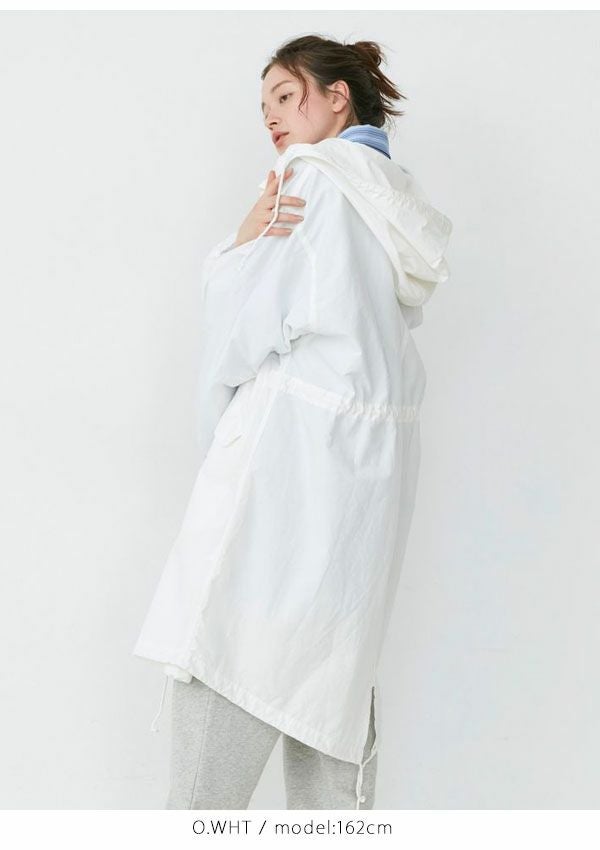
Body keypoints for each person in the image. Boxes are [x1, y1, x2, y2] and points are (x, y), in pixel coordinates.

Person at [133, 33, 453, 810]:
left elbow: (246, 324)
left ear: (336, 98)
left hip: (284, 474)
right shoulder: (388, 200)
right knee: (331, 695)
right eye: (264, 106)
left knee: (228, 671)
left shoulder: (309, 178)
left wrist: (236, 248)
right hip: (361, 495)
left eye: (285, 95)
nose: (272, 118)